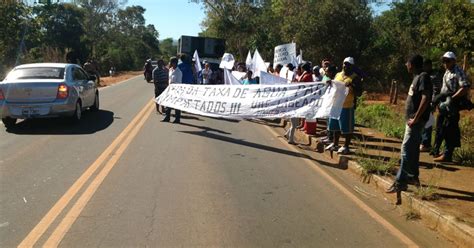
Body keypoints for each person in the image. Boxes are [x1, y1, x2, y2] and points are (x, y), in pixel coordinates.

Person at [386, 55, 432, 193]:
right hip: (412, 120)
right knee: (412, 150)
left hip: (415, 121)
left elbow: (426, 97)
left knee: (405, 149)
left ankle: (400, 182)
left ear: (412, 64)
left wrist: (416, 118)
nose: (406, 65)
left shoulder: (423, 76)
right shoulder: (417, 77)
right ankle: (413, 177)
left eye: (407, 62)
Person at [432, 52, 471, 162]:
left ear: (454, 61)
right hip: (444, 105)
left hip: (451, 106)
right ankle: (437, 150)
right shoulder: (447, 72)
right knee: (440, 128)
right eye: (444, 61)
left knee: (450, 129)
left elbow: (465, 86)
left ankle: (447, 155)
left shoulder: (458, 71)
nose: (445, 63)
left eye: (448, 61)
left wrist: (452, 98)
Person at [326, 57, 361, 154]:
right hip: (336, 105)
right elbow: (334, 86)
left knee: (347, 128)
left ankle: (346, 146)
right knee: (335, 127)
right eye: (345, 64)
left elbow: (359, 93)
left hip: (347, 106)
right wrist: (330, 83)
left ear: (352, 66)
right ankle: (335, 144)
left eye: (348, 64)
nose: (346, 66)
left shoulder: (355, 78)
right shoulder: (337, 75)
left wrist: (351, 86)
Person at [420, 59, 441, 152]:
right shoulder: (424, 75)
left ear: (429, 66)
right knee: (422, 122)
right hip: (422, 102)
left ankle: (426, 143)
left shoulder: (434, 76)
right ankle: (422, 142)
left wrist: (432, 102)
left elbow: (436, 90)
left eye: (424, 66)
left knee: (428, 122)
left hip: (430, 102)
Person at [162, 57, 182, 123]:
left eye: (170, 62)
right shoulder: (170, 70)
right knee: (168, 103)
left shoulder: (179, 72)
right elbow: (169, 79)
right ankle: (167, 117)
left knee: (176, 105)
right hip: (170, 89)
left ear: (174, 63)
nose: (169, 63)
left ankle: (177, 119)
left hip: (176, 90)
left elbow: (179, 82)